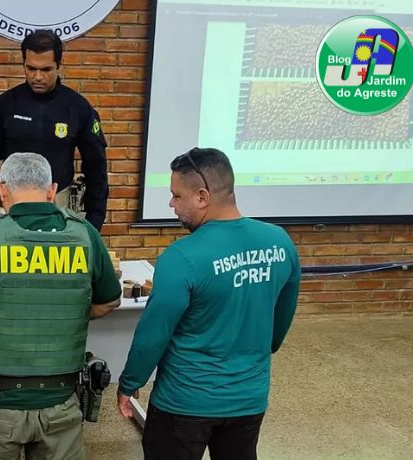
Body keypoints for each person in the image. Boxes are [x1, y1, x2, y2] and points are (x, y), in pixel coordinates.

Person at [116, 148, 301, 460]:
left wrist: (130, 381)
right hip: (249, 399)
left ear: (202, 196)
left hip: (184, 403)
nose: (171, 204)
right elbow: (280, 321)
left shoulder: (181, 257)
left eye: (176, 195)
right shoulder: (280, 242)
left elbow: (154, 333)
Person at [0, 152, 121, 460]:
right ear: (52, 190)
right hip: (62, 402)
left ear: (2, 190)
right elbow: (109, 301)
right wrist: (68, 315)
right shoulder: (85, 235)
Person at [0, 30, 109, 231]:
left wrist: (94, 223)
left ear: (59, 66)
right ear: (24, 64)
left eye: (46, 69)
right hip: (9, 209)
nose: (37, 77)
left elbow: (96, 169)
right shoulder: (5, 105)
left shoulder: (77, 108)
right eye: (31, 68)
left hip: (59, 208)